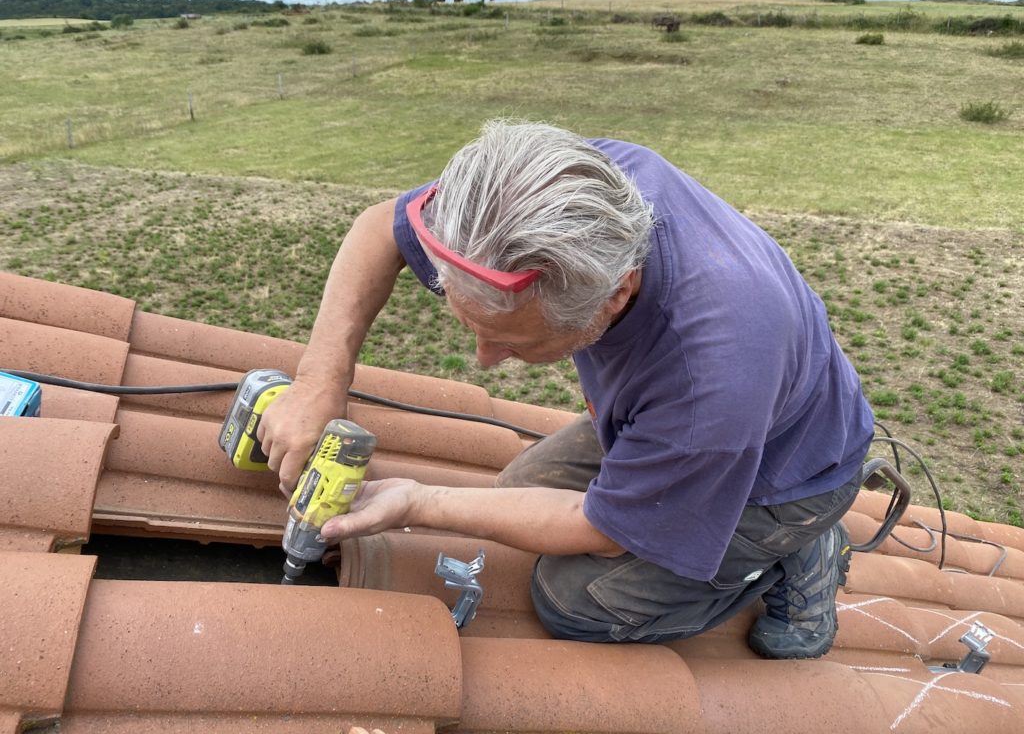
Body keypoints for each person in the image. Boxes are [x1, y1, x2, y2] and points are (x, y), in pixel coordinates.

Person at [258, 120, 874, 658]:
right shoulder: (577, 189)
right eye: (474, 327)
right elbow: (380, 230)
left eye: (516, 342)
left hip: (788, 470)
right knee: (517, 494)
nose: (485, 360)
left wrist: (417, 501)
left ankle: (794, 552)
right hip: (705, 409)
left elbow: (601, 531)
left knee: (576, 603)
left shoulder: (708, 384)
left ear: (616, 295)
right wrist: (319, 381)